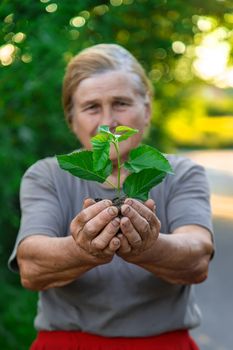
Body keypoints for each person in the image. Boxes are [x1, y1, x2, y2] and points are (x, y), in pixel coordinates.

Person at [9, 43, 214, 350]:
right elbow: (31, 266)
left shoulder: (179, 172)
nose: (108, 122)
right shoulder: (48, 174)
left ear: (147, 110)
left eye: (121, 103)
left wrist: (148, 246)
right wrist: (83, 250)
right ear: (72, 118)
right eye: (92, 107)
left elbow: (197, 256)